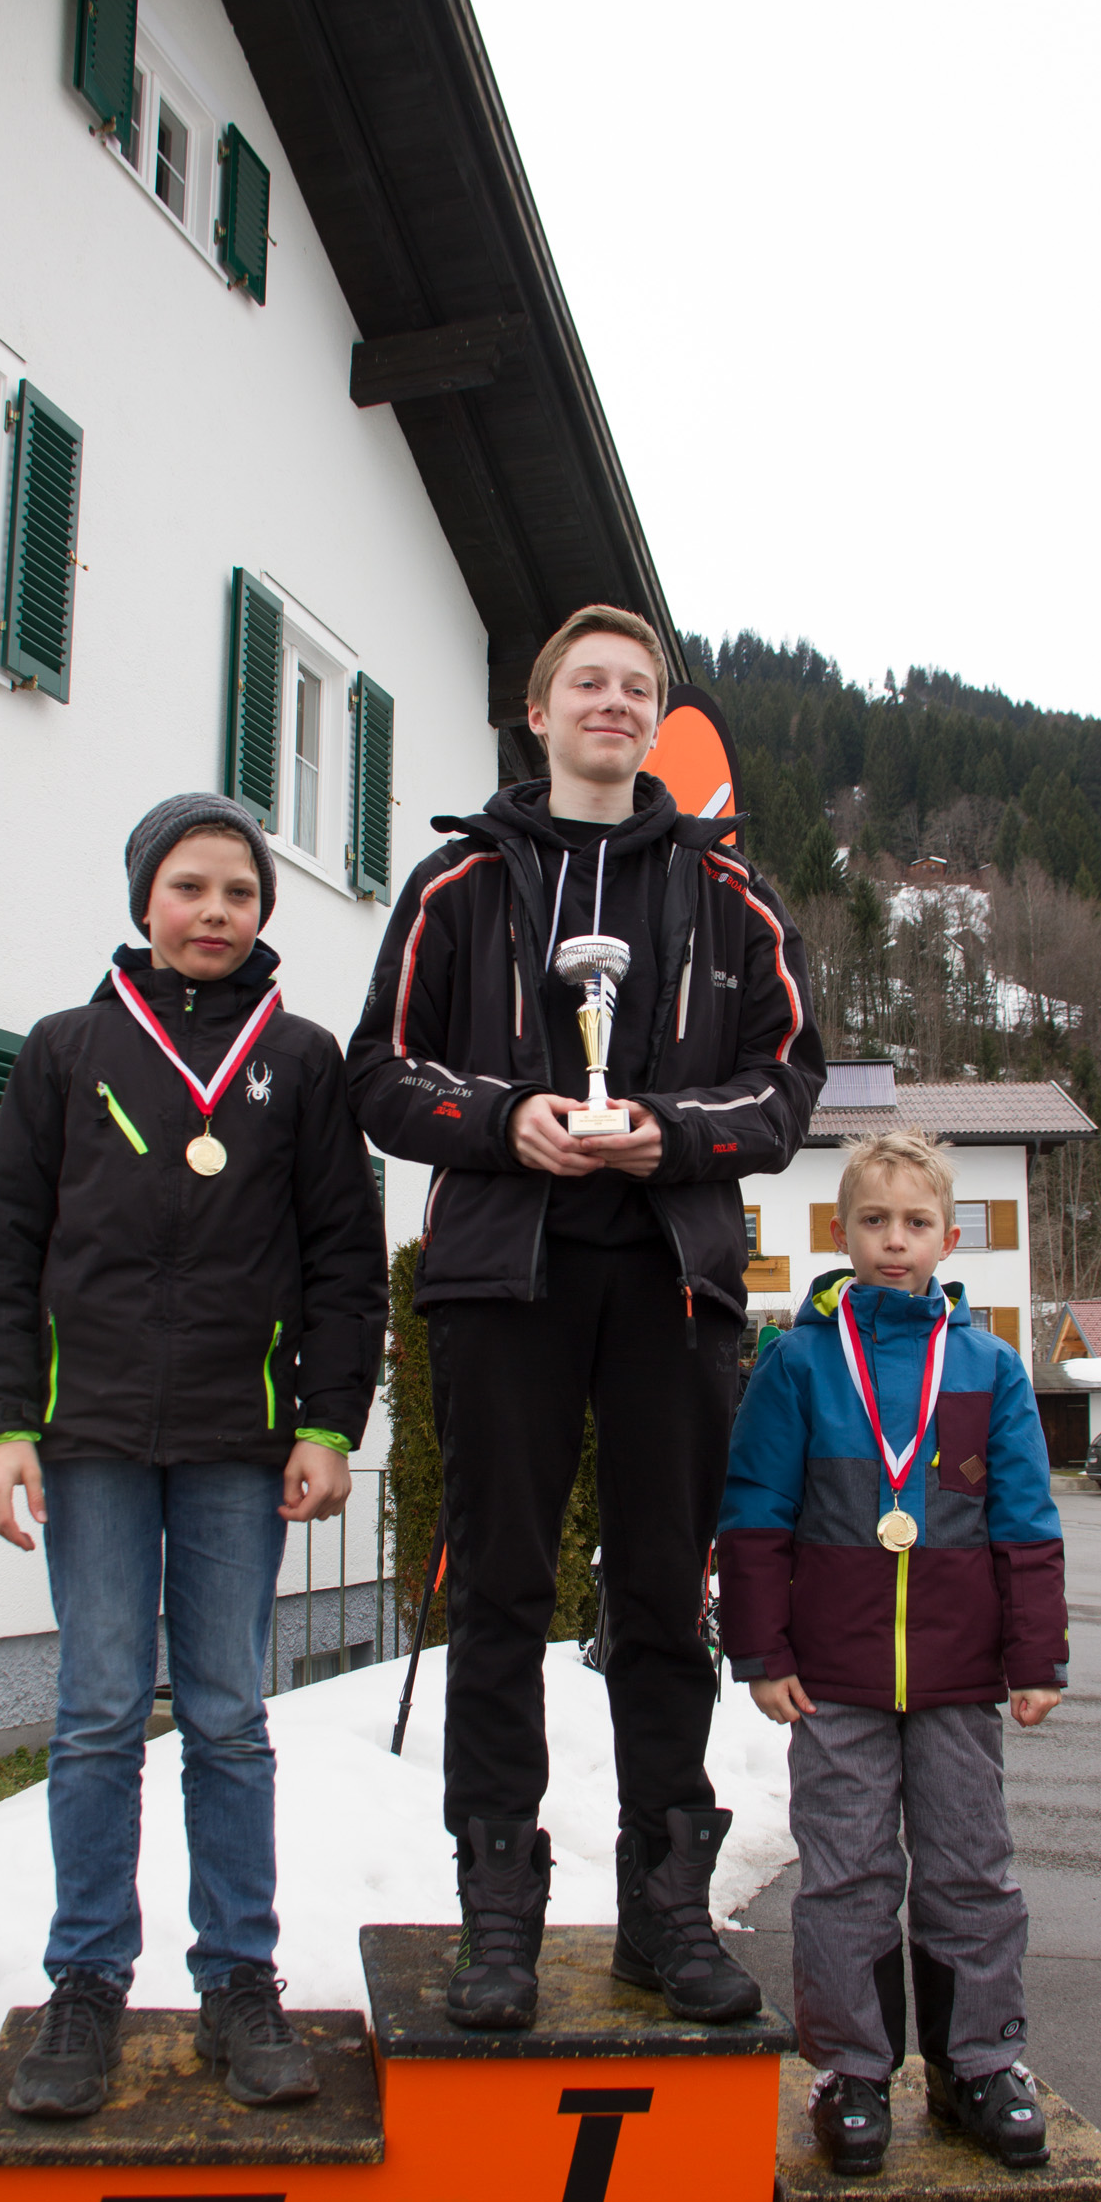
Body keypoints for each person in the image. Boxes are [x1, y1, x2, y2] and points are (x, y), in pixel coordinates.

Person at [347, 604, 824, 2029]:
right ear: (540, 713)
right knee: (499, 1591)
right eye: (587, 684)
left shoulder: (731, 895)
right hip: (505, 1274)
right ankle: (498, 1915)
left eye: (636, 688)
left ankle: (665, 1913)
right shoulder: (458, 884)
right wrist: (506, 1120)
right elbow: (380, 1074)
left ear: (654, 722)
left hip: (672, 1278)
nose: (613, 703)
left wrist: (672, 1135)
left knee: (665, 1595)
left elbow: (787, 1088)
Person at [0, 793, 387, 2117]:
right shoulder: (64, 1050)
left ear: (263, 913)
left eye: (239, 893)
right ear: (144, 900)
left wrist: (327, 1423)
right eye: (190, 888)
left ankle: (238, 1981)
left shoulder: (301, 1061)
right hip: (86, 1436)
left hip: (234, 1443)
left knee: (228, 1719)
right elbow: (1, 1256)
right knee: (97, 1715)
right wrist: (2, 1426)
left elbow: (345, 1261)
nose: (214, 912)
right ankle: (86, 1982)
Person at [716, 1129, 1066, 2173]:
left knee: (970, 1872)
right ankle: (853, 2072)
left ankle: (978, 2065)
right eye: (874, 1221)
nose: (895, 1240)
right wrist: (762, 1653)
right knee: (846, 1877)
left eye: (916, 1223)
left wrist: (1035, 1657)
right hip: (832, 1681)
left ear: (950, 1239)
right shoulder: (798, 1363)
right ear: (842, 1232)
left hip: (958, 1679)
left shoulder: (990, 1368)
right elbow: (755, 1517)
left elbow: (1026, 1521)